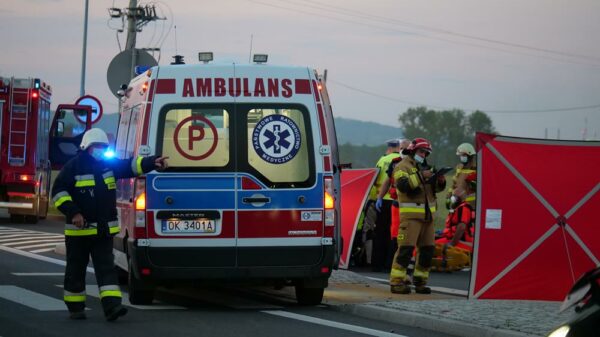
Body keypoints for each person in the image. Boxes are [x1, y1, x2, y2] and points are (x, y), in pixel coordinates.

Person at [51, 128, 168, 321]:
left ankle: (113, 307)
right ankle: (75, 307)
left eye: (103, 146)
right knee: (75, 270)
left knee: (106, 270)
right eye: (97, 146)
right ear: (87, 147)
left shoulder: (107, 165)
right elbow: (58, 193)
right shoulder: (72, 167)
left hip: (103, 232)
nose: (100, 149)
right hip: (79, 233)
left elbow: (130, 165)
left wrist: (151, 162)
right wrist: (74, 212)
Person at [389, 137, 446, 294]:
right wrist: (422, 176)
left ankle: (420, 282)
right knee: (405, 250)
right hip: (411, 218)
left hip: (428, 218)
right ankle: (397, 282)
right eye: (422, 152)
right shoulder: (402, 166)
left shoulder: (425, 167)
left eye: (426, 153)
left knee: (427, 251)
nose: (424, 155)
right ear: (413, 151)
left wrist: (439, 181)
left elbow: (434, 191)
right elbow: (403, 186)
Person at [375, 139, 411, 268]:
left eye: (405, 148)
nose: (402, 151)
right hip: (393, 202)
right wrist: (380, 197)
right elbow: (387, 180)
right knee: (392, 233)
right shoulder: (394, 162)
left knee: (404, 234)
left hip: (408, 204)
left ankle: (398, 263)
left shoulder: (414, 163)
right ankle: (387, 263)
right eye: (401, 148)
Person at [369, 139, 401, 271]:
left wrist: (377, 198)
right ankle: (390, 264)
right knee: (393, 234)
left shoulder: (382, 160)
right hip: (396, 201)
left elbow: (374, 179)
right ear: (398, 148)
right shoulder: (401, 160)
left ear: (388, 148)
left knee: (380, 233)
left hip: (381, 201)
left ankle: (376, 264)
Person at [446, 143, 477, 210]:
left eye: (463, 155)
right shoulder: (459, 168)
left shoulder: (476, 169)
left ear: (470, 155)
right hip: (457, 204)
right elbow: (454, 184)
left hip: (471, 206)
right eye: (460, 155)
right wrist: (449, 196)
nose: (461, 157)